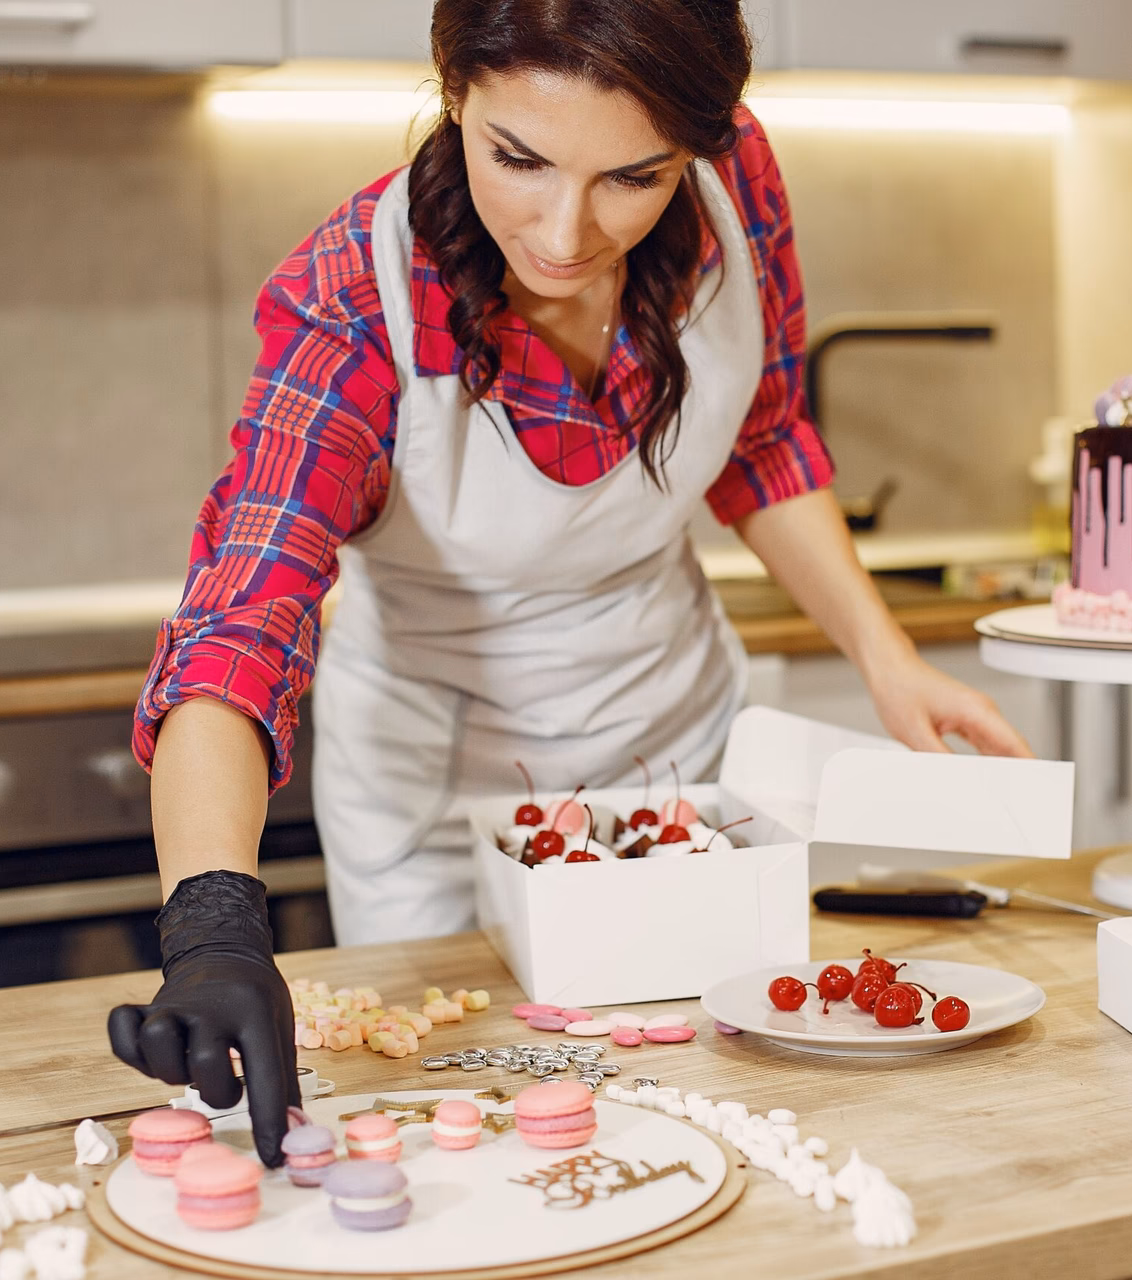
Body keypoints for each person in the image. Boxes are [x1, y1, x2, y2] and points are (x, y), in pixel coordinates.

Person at [109, 0, 1032, 1166]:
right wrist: (212, 923)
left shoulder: (736, 179)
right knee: (485, 1144)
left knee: (714, 1132)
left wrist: (889, 663)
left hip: (669, 755)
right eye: (519, 159)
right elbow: (244, 611)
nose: (563, 231)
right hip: (435, 800)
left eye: (633, 178)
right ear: (456, 99)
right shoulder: (355, 297)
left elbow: (763, 439)